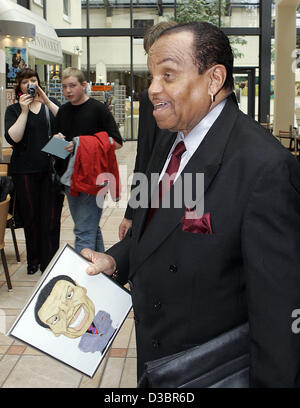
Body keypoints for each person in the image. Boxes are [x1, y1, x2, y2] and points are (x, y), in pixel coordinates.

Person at [80, 22, 300, 387]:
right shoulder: (172, 140)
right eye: (151, 76)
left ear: (214, 79)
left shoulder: (266, 168)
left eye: (168, 74)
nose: (152, 89)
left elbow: (279, 318)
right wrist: (116, 259)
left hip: (209, 369)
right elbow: (160, 232)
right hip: (160, 359)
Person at [118, 21, 178, 240]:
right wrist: (131, 212)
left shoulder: (204, 96)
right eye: (149, 54)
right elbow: (145, 156)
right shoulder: (149, 98)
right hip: (159, 197)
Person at [54, 68, 123, 254]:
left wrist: (81, 144)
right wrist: (59, 144)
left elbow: (117, 142)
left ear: (83, 86)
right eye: (64, 86)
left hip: (94, 180)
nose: (68, 90)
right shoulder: (62, 111)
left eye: (72, 86)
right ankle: (103, 273)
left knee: (83, 230)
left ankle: (83, 276)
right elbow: (56, 148)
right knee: (89, 227)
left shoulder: (98, 109)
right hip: (70, 180)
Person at [4, 68, 64, 274]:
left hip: (50, 170)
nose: (30, 84)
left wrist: (46, 100)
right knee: (31, 218)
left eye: (33, 80)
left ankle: (49, 261)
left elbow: (65, 122)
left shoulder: (49, 106)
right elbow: (14, 138)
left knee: (50, 218)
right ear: (19, 86)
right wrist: (24, 111)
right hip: (24, 171)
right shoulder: (13, 110)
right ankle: (34, 260)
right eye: (25, 82)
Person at [34, 275, 116, 353]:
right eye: (55, 319)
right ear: (52, 330)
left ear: (80, 287)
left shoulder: (103, 316)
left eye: (69, 295)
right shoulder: (84, 345)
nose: (69, 311)